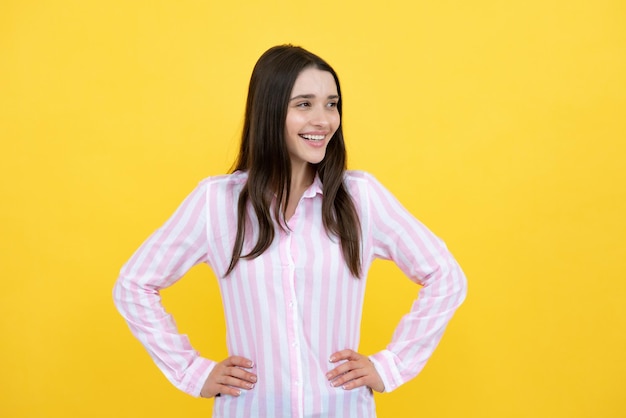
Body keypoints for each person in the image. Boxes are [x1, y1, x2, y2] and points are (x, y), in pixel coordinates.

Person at [113, 44, 467, 418]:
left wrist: (391, 365)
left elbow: (445, 276)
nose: (324, 120)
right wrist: (191, 372)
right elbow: (134, 284)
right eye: (304, 104)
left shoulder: (361, 198)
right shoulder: (216, 203)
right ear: (269, 112)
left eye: (332, 104)